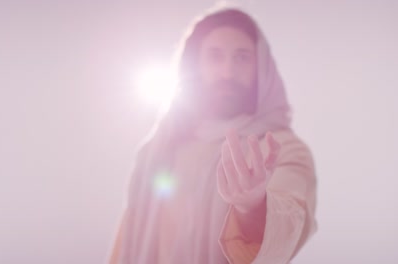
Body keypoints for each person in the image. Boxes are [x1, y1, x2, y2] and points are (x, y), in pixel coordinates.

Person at [108, 7, 317, 264]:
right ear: (195, 65)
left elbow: (292, 222)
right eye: (214, 56)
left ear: (261, 69)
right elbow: (126, 244)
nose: (227, 72)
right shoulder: (158, 150)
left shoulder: (280, 148)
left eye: (241, 58)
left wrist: (254, 207)